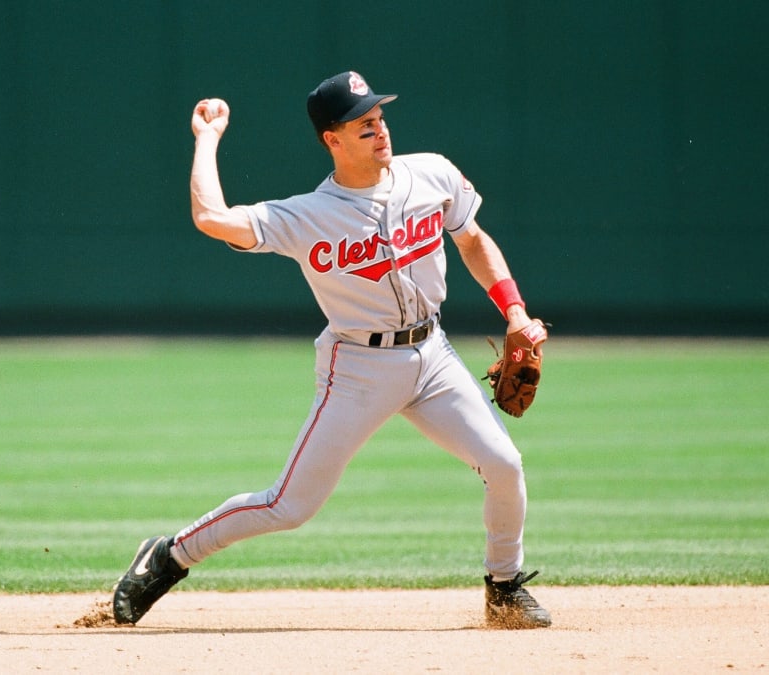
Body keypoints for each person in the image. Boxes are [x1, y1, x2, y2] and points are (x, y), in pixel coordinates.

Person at [111, 71, 551, 629]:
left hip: (433, 354)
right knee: (288, 506)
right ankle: (169, 555)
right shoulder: (309, 215)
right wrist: (207, 139)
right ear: (332, 140)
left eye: (380, 118)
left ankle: (505, 587)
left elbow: (472, 239)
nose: (379, 129)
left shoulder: (431, 173)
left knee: (505, 464)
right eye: (363, 124)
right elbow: (210, 218)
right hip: (359, 367)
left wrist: (513, 310)